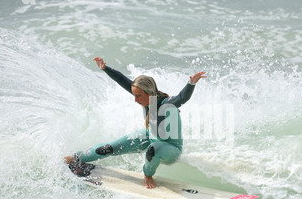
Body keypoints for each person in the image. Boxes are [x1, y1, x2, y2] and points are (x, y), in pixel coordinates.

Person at [64, 57, 206, 188]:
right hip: (148, 136)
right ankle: (77, 157)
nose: (135, 100)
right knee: (107, 148)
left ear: (149, 93)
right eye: (134, 95)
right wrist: (105, 68)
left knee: (153, 149)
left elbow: (182, 97)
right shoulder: (146, 97)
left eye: (138, 96)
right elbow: (123, 81)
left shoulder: (166, 104)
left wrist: (191, 83)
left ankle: (148, 175)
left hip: (170, 149)